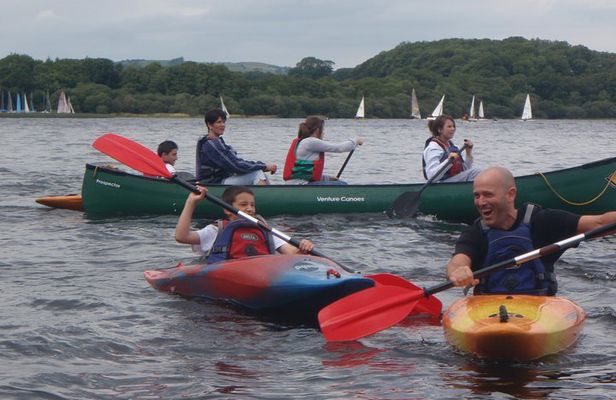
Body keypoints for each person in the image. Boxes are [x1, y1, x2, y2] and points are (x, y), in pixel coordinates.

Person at [446, 166, 616, 295]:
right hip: (487, 312)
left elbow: (599, 223)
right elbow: (458, 261)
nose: (481, 202)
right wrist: (459, 271)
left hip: (538, 309)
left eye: (488, 195)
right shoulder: (475, 233)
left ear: (511, 195)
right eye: (477, 196)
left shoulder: (542, 221)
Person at [175, 185, 314, 263]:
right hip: (225, 277)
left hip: (261, 276)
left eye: (252, 205)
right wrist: (191, 203)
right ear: (227, 209)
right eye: (243, 205)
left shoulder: (265, 230)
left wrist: (303, 248)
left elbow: (291, 253)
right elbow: (181, 237)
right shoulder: (216, 231)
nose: (250, 209)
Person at [196, 109, 277, 185]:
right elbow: (235, 166)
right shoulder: (211, 144)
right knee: (257, 174)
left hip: (221, 179)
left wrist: (261, 166)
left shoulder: (216, 142)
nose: (223, 125)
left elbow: (237, 161)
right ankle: (261, 199)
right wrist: (264, 166)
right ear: (209, 125)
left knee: (260, 174)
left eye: (224, 122)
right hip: (213, 183)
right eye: (219, 122)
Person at [283, 115, 364, 185]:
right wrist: (355, 141)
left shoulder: (303, 142)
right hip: (301, 185)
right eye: (323, 130)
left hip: (298, 184)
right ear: (318, 130)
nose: (324, 133)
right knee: (342, 184)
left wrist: (327, 178)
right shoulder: (310, 142)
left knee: (338, 182)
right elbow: (338, 148)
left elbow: (305, 174)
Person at [422, 115, 481, 182]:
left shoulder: (454, 147)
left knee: (482, 173)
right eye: (449, 126)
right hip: (440, 185)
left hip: (453, 182)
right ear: (440, 129)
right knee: (476, 172)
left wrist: (468, 153)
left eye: (453, 126)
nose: (453, 129)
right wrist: (448, 161)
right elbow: (431, 176)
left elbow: (465, 170)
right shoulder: (433, 148)